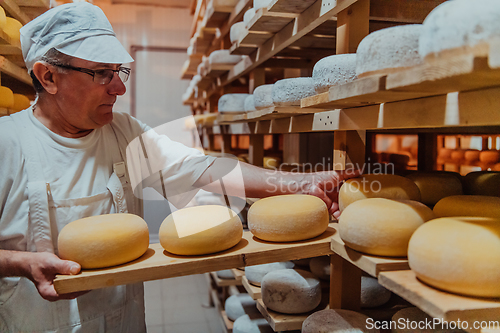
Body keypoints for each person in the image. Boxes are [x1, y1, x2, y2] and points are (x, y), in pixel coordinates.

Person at [0, 2, 359, 332]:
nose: (120, 88)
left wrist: (303, 183)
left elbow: (204, 169)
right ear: (47, 77)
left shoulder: (124, 133)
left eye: (118, 71)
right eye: (101, 74)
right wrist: (19, 262)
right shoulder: (7, 143)